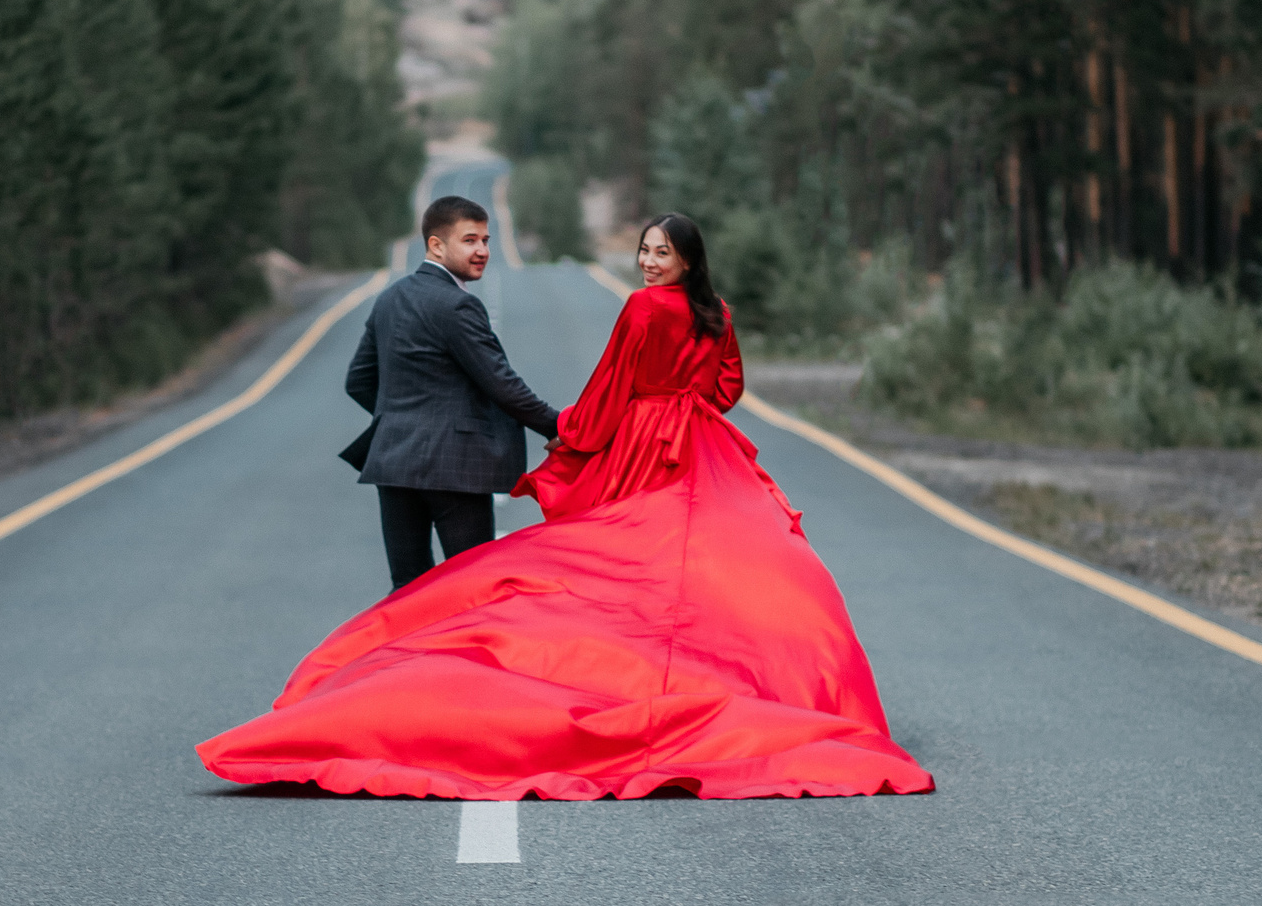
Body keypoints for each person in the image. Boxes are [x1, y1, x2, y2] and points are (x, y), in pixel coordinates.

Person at [199, 212, 932, 801]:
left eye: (660, 253)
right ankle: (718, 676)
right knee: (701, 558)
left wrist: (574, 437)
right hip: (702, 440)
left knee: (616, 560)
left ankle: (434, 682)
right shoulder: (718, 311)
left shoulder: (643, 310)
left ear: (684, 260)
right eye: (644, 251)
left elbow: (612, 385)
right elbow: (729, 384)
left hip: (640, 436)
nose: (647, 263)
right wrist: (692, 410)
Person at [340, 195, 562, 590]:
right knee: (471, 586)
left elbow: (358, 380)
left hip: (393, 464)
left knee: (407, 588)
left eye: (486, 241)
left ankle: (405, 655)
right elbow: (501, 383)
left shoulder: (390, 298)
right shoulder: (457, 305)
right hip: (454, 470)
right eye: (470, 240)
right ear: (436, 245)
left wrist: (400, 419)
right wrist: (557, 426)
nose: (482, 251)